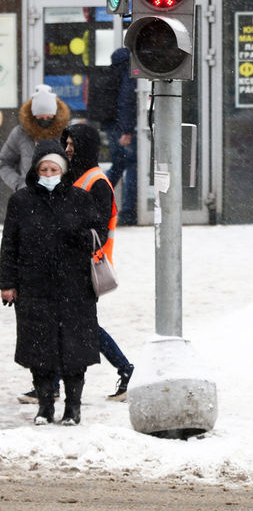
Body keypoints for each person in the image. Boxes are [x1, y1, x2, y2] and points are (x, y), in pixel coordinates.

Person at [0, 139, 105, 425]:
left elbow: (99, 233)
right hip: (34, 287)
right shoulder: (21, 201)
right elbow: (9, 244)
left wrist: (78, 236)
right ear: (35, 170)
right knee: (39, 349)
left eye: (53, 169)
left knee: (74, 350)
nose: (48, 175)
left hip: (75, 287)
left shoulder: (80, 199)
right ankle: (45, 407)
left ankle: (73, 407)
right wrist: (7, 283)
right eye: (43, 169)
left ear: (63, 170)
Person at [64, 123, 135, 400]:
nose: (68, 149)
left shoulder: (96, 182)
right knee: (76, 324)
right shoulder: (77, 175)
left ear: (85, 147)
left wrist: (70, 236)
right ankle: (126, 370)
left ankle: (126, 369)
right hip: (74, 263)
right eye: (66, 144)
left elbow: (99, 231)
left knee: (77, 324)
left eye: (72, 145)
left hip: (87, 265)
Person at [0, 84, 70, 193]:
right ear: (33, 115)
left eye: (49, 117)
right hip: (27, 196)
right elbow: (4, 163)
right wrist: (19, 184)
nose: (45, 120)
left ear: (56, 114)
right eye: (41, 117)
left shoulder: (66, 134)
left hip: (61, 196)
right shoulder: (20, 133)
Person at [102, 47, 138, 225]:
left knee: (118, 165)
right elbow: (127, 101)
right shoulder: (129, 72)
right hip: (122, 127)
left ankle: (95, 198)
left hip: (112, 125)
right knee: (132, 166)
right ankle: (129, 211)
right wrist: (127, 130)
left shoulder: (113, 70)